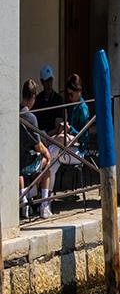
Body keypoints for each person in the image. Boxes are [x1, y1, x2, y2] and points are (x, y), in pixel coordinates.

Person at [19, 79, 53, 219]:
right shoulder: (30, 117)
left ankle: (24, 197)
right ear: (33, 96)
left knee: (19, 170)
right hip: (27, 163)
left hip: (17, 161)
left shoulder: (15, 112)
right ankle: (44, 205)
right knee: (47, 162)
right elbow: (38, 146)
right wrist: (47, 152)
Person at [35, 65, 64, 134]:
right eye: (46, 81)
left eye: (50, 80)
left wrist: (45, 135)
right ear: (42, 82)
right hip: (39, 136)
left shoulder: (58, 99)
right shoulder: (38, 99)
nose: (49, 83)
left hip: (53, 137)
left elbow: (58, 127)